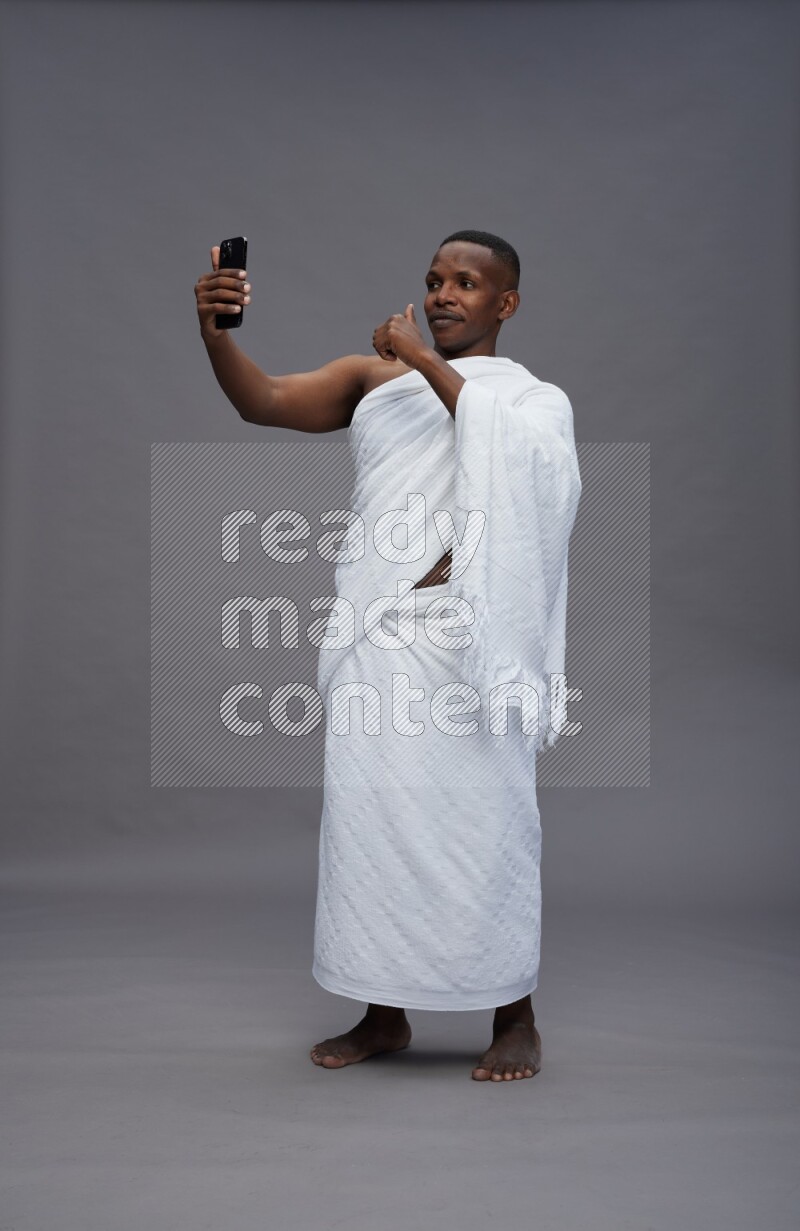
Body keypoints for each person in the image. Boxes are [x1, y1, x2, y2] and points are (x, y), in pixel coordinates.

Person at [194, 230, 581, 1081]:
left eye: (468, 283)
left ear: (504, 304)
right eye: (436, 279)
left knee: (487, 823)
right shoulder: (374, 380)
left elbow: (530, 472)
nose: (444, 294)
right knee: (374, 823)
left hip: (468, 653)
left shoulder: (531, 401)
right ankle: (382, 1010)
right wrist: (218, 334)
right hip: (378, 635)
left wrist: (419, 356)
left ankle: (513, 1013)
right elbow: (260, 400)